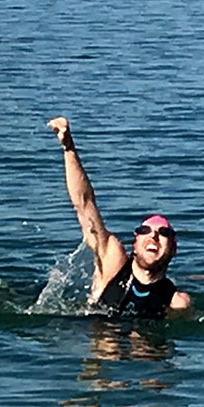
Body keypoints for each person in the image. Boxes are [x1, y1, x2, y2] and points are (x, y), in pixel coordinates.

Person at [49, 116, 192, 319]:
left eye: (163, 232)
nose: (153, 236)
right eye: (145, 231)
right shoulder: (112, 263)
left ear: (174, 248)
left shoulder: (176, 301)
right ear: (135, 243)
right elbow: (84, 205)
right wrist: (69, 148)